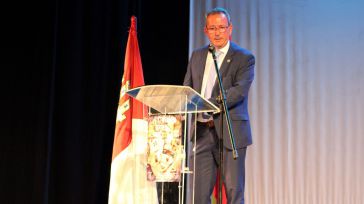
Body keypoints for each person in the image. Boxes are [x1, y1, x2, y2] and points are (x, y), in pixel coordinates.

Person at [183, 7, 255, 204]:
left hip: (231, 132)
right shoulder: (197, 55)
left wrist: (209, 104)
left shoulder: (244, 58)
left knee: (233, 193)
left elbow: (239, 91)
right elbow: (187, 88)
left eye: (221, 28)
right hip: (201, 132)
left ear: (230, 29)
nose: (217, 33)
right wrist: (180, 108)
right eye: (212, 28)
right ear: (205, 31)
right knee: (198, 196)